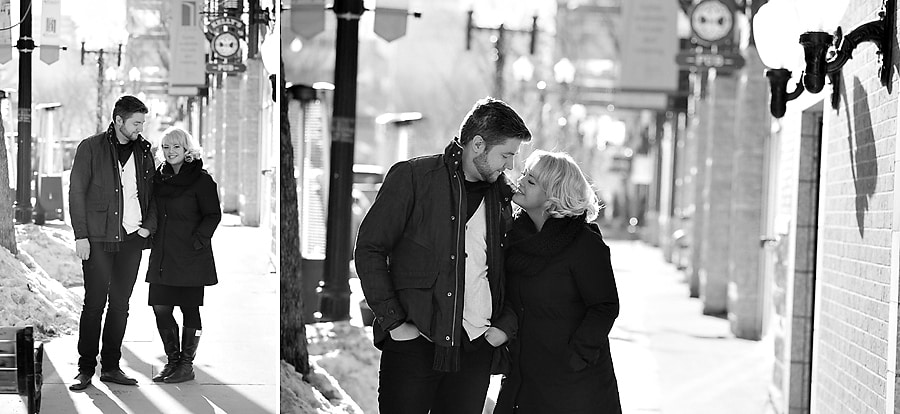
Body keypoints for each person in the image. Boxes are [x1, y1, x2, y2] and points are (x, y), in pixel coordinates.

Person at [355, 97, 532, 414]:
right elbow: (370, 248)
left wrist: (504, 326)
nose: (510, 165)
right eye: (506, 154)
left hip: (475, 349)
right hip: (414, 344)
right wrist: (395, 323)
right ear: (477, 144)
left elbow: (518, 271)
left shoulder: (504, 197)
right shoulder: (413, 178)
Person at [494, 150, 621, 414]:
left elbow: (605, 306)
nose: (521, 180)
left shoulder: (583, 243)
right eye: (525, 174)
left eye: (531, 181)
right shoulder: (512, 238)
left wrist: (575, 357)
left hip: (574, 386)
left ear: (553, 195)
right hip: (523, 380)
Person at [69, 95, 156, 391]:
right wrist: (80, 234)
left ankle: (111, 366)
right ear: (118, 121)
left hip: (132, 239)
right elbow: (76, 192)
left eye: (142, 123)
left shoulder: (145, 151)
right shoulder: (91, 148)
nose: (140, 128)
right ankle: (85, 368)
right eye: (135, 122)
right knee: (94, 304)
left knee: (120, 305)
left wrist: (148, 228)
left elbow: (154, 192)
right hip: (98, 238)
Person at [145, 127, 221, 383]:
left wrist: (198, 241)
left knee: (190, 309)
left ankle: (186, 365)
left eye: (176, 146)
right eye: (166, 147)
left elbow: (213, 214)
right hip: (164, 254)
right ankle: (173, 361)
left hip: (191, 255)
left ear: (187, 149)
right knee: (160, 307)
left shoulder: (201, 180)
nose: (170, 152)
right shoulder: (160, 178)